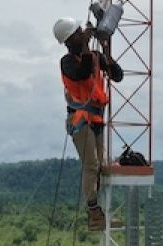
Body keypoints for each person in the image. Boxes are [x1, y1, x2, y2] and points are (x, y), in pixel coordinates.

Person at [53, 16, 123, 230]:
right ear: (69, 41)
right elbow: (82, 73)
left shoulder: (93, 56)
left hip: (96, 118)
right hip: (80, 120)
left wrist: (104, 51)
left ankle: (99, 213)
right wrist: (86, 45)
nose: (82, 34)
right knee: (91, 164)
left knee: (100, 166)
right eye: (78, 33)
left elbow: (117, 75)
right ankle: (93, 212)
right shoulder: (67, 62)